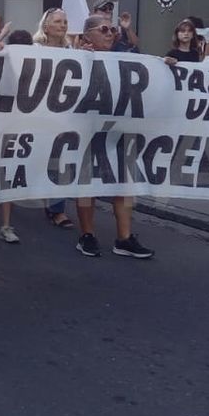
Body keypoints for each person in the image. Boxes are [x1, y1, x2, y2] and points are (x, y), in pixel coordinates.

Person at [73, 14, 155, 259]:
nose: (110, 34)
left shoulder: (123, 56)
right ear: (87, 35)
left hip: (120, 129)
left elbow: (149, 72)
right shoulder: (77, 58)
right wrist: (79, 56)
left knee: (125, 183)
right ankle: (87, 235)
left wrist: (168, 64)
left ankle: (124, 238)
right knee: (87, 184)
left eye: (113, 30)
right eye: (104, 30)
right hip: (88, 129)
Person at [34, 8, 77, 228]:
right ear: (46, 26)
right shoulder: (34, 49)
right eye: (58, 21)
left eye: (65, 21)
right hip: (38, 112)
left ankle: (57, 209)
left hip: (63, 113)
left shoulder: (72, 50)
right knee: (40, 158)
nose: (63, 25)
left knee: (59, 158)